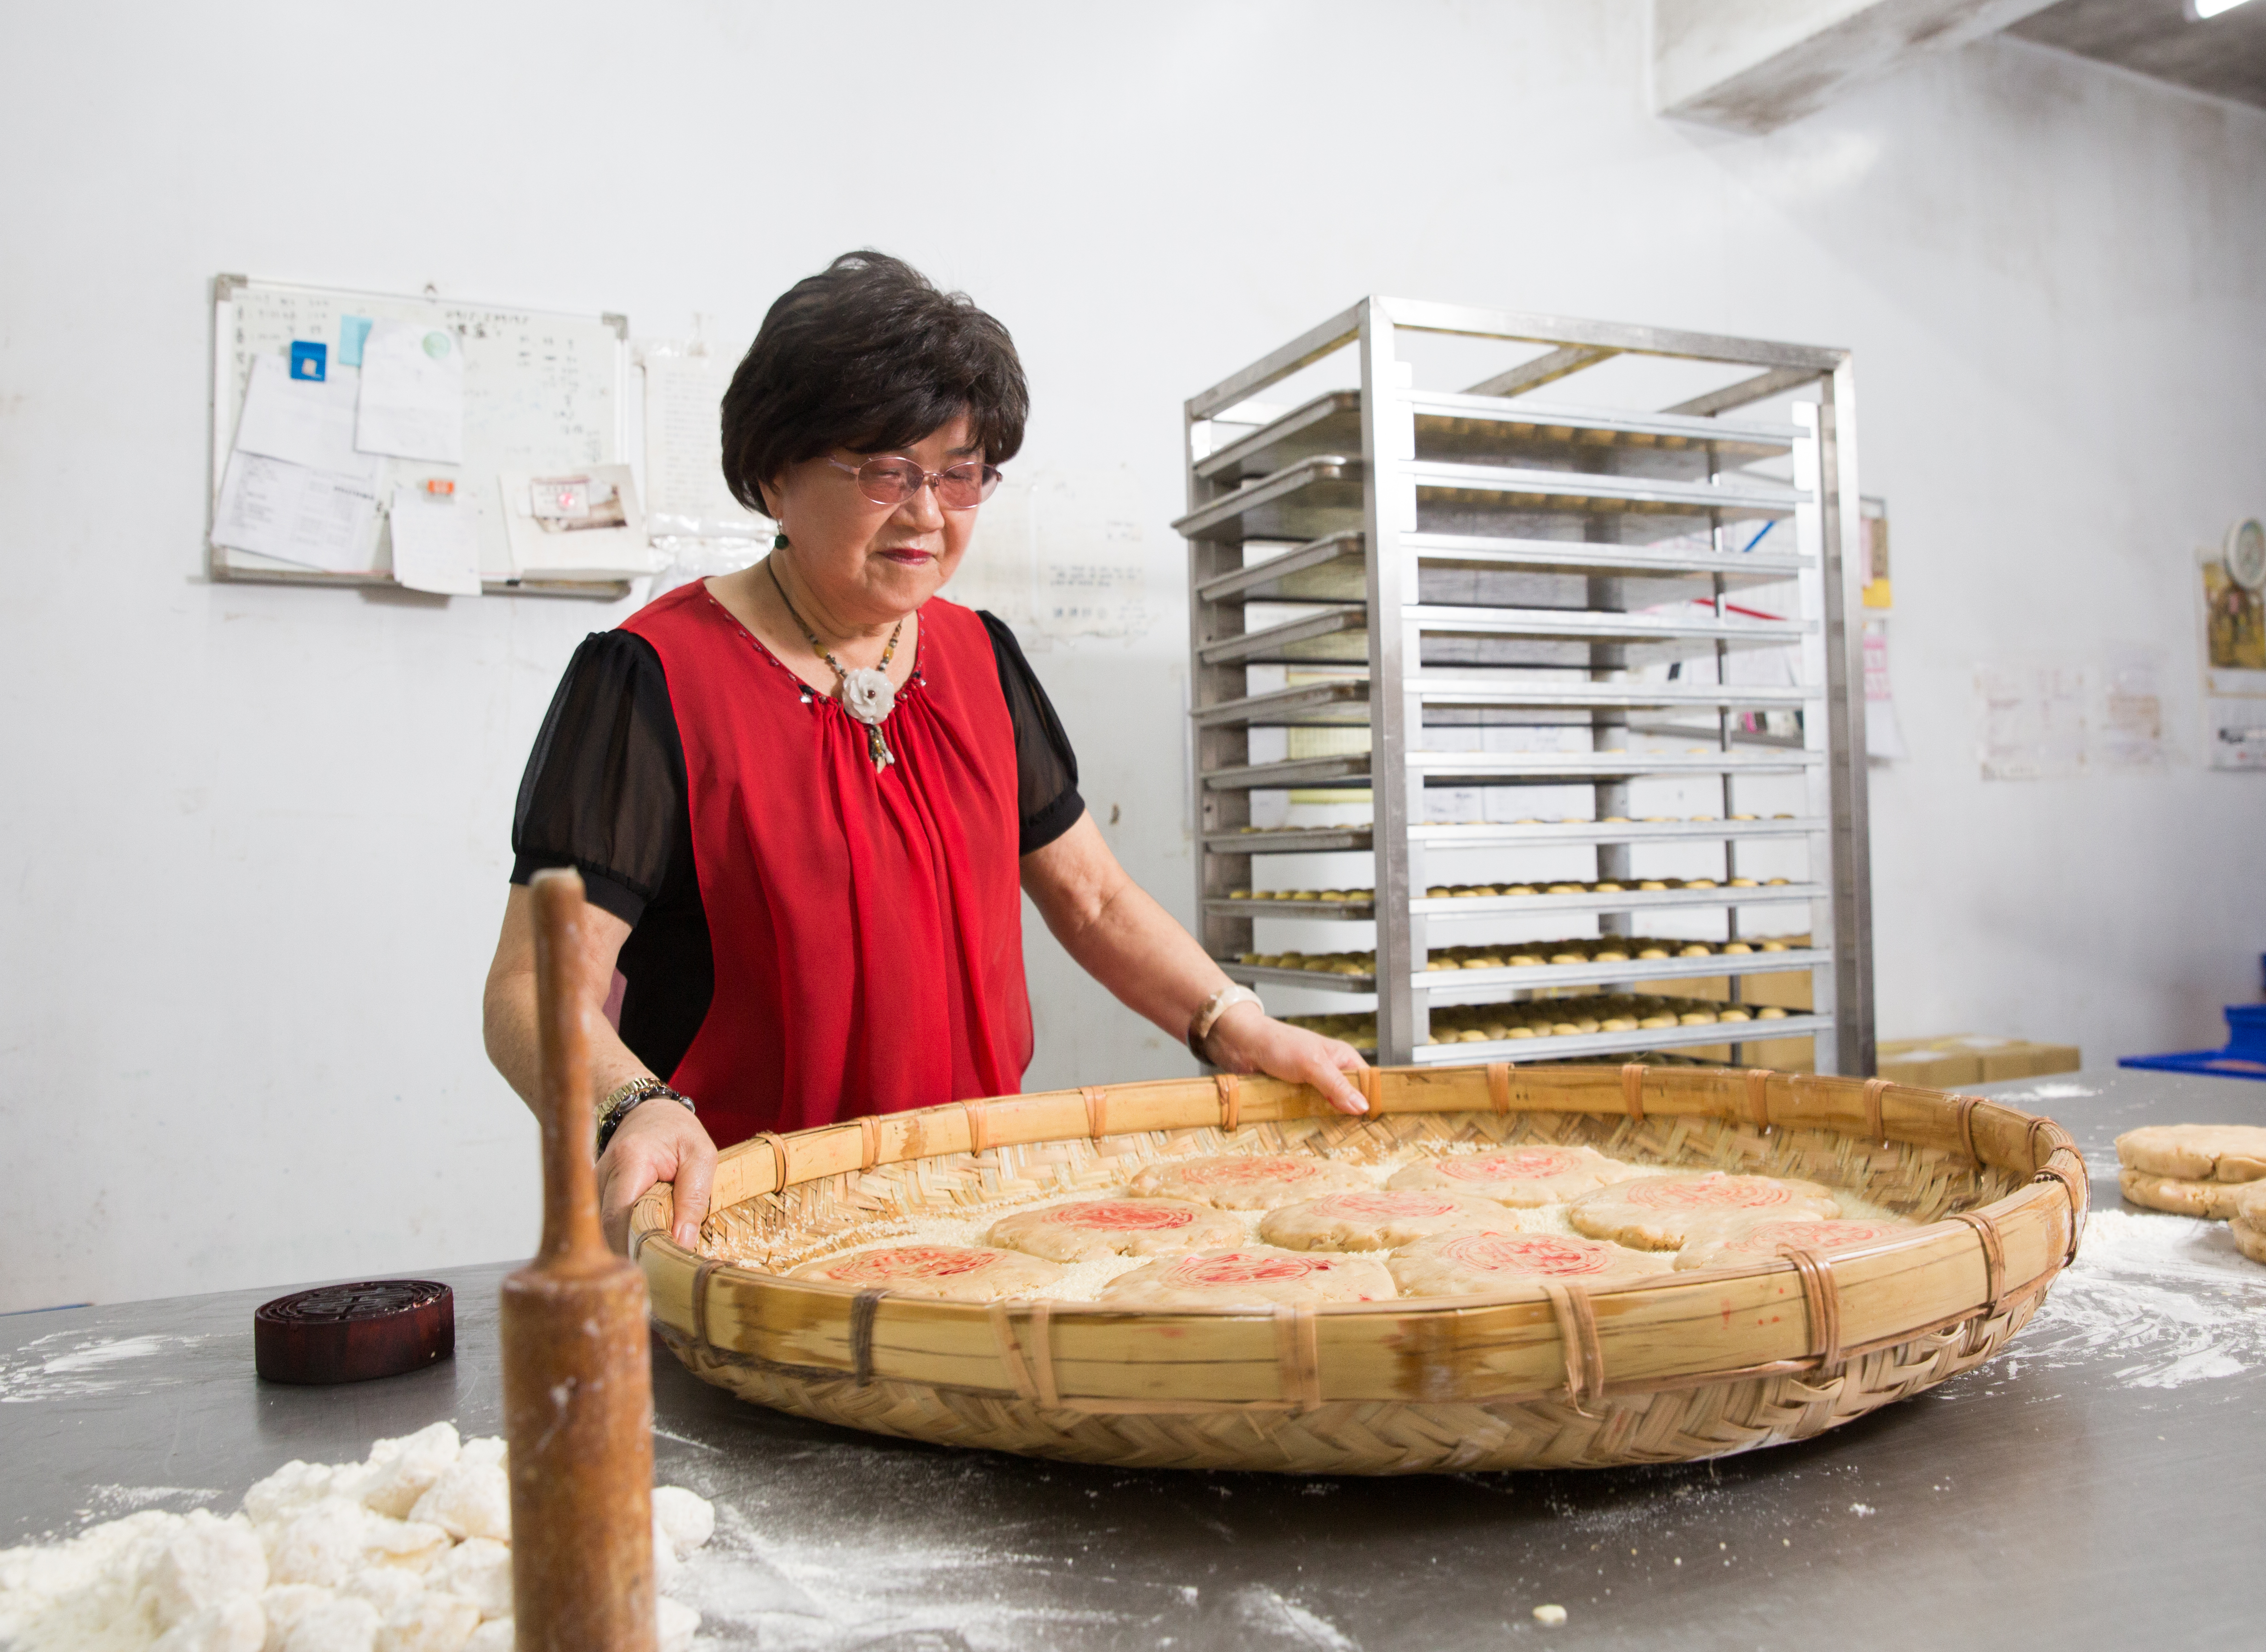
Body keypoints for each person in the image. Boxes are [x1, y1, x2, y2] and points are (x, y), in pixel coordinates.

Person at [484, 251, 1367, 1252]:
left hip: (970, 1214)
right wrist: (628, 1105)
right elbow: (529, 988)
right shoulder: (650, 680)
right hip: (737, 1231)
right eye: (883, 471)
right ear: (774, 473)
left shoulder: (978, 658)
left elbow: (1095, 901)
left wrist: (1234, 1022)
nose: (926, 514)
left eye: (958, 474)